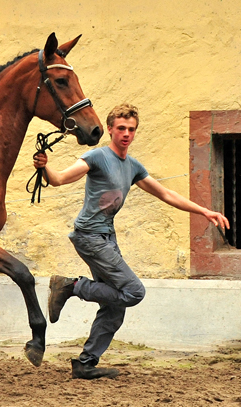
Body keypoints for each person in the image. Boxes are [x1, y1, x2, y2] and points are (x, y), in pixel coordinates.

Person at [33, 103, 229, 379]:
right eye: (121, 128)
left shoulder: (133, 166)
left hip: (106, 238)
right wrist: (45, 168)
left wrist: (204, 211)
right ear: (110, 129)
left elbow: (166, 194)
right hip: (89, 236)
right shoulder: (97, 157)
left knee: (116, 306)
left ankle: (86, 363)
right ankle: (71, 286)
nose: (126, 133)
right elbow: (60, 179)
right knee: (134, 291)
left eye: (131, 129)